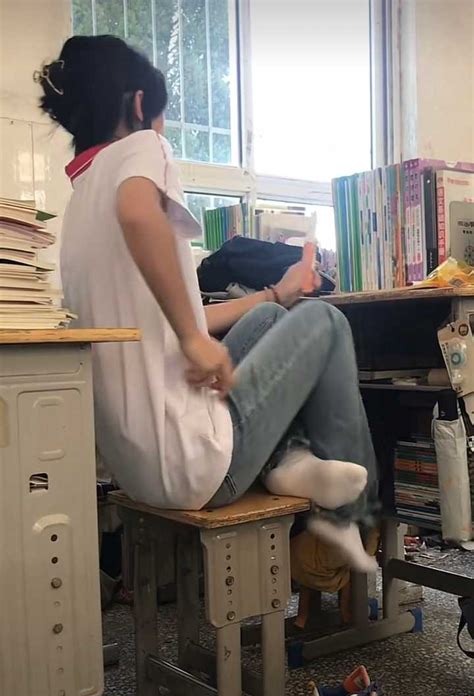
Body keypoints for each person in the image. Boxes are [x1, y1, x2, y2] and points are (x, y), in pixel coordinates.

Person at [36, 35, 378, 572]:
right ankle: (353, 517)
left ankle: (287, 461)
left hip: (142, 467)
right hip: (197, 467)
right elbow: (138, 213)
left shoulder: (81, 198)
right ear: (140, 105)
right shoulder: (143, 148)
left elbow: (167, 317)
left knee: (270, 316)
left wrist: (273, 293)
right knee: (326, 321)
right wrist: (195, 339)